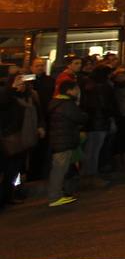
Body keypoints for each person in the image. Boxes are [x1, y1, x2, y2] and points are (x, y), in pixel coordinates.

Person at [1, 70, 40, 209]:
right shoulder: (7, 95)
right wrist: (12, 89)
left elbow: (38, 112)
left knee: (15, 170)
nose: (21, 84)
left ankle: (9, 194)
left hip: (23, 137)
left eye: (23, 81)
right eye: (18, 80)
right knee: (8, 169)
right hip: (9, 137)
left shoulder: (29, 96)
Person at [46, 78, 86, 207]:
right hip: (64, 139)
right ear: (70, 90)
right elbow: (79, 117)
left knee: (60, 168)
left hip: (60, 139)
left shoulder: (56, 102)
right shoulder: (67, 104)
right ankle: (55, 196)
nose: (77, 92)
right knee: (59, 169)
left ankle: (57, 194)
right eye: (76, 89)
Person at [80, 65, 115, 181]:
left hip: (90, 121)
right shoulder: (104, 87)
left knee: (90, 149)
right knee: (95, 149)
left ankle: (87, 173)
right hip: (100, 121)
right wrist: (110, 116)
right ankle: (91, 174)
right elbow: (106, 105)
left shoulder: (89, 85)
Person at [26, 57, 53, 184]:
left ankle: (39, 174)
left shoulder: (49, 80)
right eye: (37, 65)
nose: (40, 67)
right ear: (31, 67)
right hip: (31, 118)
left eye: (42, 65)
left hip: (44, 117)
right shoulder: (28, 80)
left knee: (42, 148)